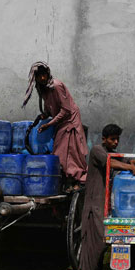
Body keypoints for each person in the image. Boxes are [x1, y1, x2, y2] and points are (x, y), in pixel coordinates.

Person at [77, 124, 135, 270]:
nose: (116, 142)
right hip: (94, 205)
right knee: (93, 245)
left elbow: (118, 160)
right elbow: (110, 162)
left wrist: (130, 162)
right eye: (112, 139)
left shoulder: (109, 151)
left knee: (102, 244)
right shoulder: (97, 150)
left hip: (103, 206)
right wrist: (130, 167)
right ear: (104, 139)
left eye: (117, 139)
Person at [23, 61, 89, 192]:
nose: (42, 78)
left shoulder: (56, 85)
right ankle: (67, 180)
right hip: (60, 121)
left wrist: (49, 124)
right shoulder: (43, 89)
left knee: (71, 151)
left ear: (48, 74)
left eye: (44, 75)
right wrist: (45, 115)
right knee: (59, 152)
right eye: (39, 76)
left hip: (70, 120)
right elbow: (50, 108)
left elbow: (65, 110)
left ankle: (79, 180)